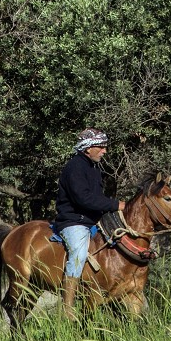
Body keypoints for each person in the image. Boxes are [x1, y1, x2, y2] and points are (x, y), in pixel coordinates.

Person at [54, 128, 120, 319]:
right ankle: (67, 307)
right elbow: (83, 199)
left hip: (92, 220)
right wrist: (116, 205)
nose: (104, 151)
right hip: (73, 222)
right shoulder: (74, 167)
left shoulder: (93, 169)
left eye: (104, 147)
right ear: (87, 148)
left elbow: (96, 199)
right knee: (79, 253)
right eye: (100, 146)